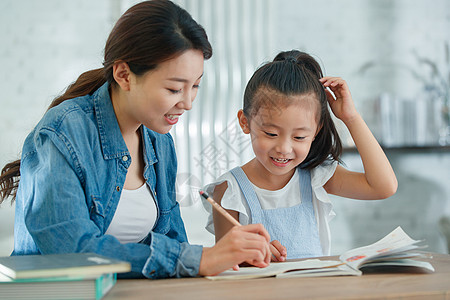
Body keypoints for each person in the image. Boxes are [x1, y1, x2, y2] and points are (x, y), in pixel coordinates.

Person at [0, 0, 273, 279]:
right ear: (124, 75)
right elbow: (72, 252)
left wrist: (235, 256)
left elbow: (175, 246)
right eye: (174, 88)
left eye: (195, 86)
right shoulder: (63, 132)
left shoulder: (159, 141)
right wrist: (199, 259)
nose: (188, 103)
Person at [202, 50, 398, 261]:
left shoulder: (316, 177)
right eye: (271, 134)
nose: (284, 148)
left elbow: (383, 187)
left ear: (316, 131)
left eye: (299, 137)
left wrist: (350, 117)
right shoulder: (230, 191)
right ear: (245, 122)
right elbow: (223, 266)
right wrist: (251, 257)